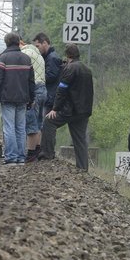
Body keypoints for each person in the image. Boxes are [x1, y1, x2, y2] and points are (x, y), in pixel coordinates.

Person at [37, 43, 94, 171]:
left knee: (49, 121)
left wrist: (55, 109)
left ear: (68, 55)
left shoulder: (70, 68)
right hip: (84, 111)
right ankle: (83, 168)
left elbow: (62, 89)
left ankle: (47, 153)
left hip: (70, 109)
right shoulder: (87, 69)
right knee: (80, 140)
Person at [0, 32, 34, 165]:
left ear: (6, 43)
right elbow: (31, 81)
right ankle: (20, 157)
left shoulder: (3, 58)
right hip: (23, 98)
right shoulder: (26, 59)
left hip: (8, 97)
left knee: (9, 127)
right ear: (18, 42)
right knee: (20, 127)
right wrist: (32, 98)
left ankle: (11, 157)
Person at [20, 38, 46, 162]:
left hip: (34, 89)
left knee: (31, 122)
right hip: (43, 89)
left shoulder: (26, 53)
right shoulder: (38, 54)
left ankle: (30, 154)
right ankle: (37, 150)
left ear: (21, 44)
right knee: (39, 121)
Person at [32, 32, 62, 119]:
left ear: (44, 43)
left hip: (50, 98)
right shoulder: (47, 57)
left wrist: (37, 76)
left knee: (45, 125)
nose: (37, 49)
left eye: (38, 46)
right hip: (48, 96)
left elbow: (51, 76)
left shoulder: (52, 58)